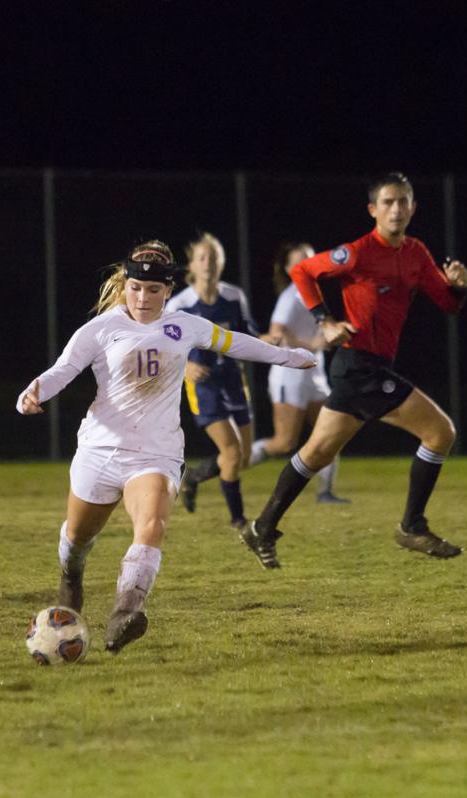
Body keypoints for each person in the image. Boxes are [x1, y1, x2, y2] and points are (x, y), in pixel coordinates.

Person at [17, 240, 314, 653]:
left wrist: (288, 357)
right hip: (100, 452)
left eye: (153, 290)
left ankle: (125, 612)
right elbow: (63, 369)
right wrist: (33, 394)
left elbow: (234, 341)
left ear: (168, 290)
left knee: (152, 525)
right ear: (125, 284)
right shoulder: (100, 329)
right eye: (136, 288)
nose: (143, 297)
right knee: (77, 540)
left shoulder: (184, 325)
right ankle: (71, 576)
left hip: (156, 454)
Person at [239, 172, 467, 569]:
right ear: (373, 210)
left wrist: (459, 287)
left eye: (402, 202)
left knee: (315, 453)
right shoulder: (357, 252)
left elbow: (448, 305)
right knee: (440, 431)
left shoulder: (416, 254)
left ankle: (262, 525)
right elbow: (302, 272)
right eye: (388, 202)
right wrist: (324, 320)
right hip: (360, 364)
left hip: (361, 368)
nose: (396, 209)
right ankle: (412, 525)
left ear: (413, 208)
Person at [167, 233, 259, 529]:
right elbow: (163, 349)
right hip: (203, 386)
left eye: (214, 257)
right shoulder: (179, 305)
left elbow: (249, 335)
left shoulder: (234, 296)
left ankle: (193, 477)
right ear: (192, 265)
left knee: (242, 457)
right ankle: (239, 520)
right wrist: (184, 368)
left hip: (234, 380)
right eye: (203, 258)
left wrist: (272, 344)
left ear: (222, 263)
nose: (209, 264)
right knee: (231, 453)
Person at [248, 242, 348, 504]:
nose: (306, 264)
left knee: (332, 432)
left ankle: (326, 492)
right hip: (289, 374)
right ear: (289, 269)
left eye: (310, 259)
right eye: (299, 260)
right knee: (284, 442)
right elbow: (278, 333)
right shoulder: (291, 295)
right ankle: (229, 462)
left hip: (315, 374)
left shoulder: (315, 294)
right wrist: (312, 345)